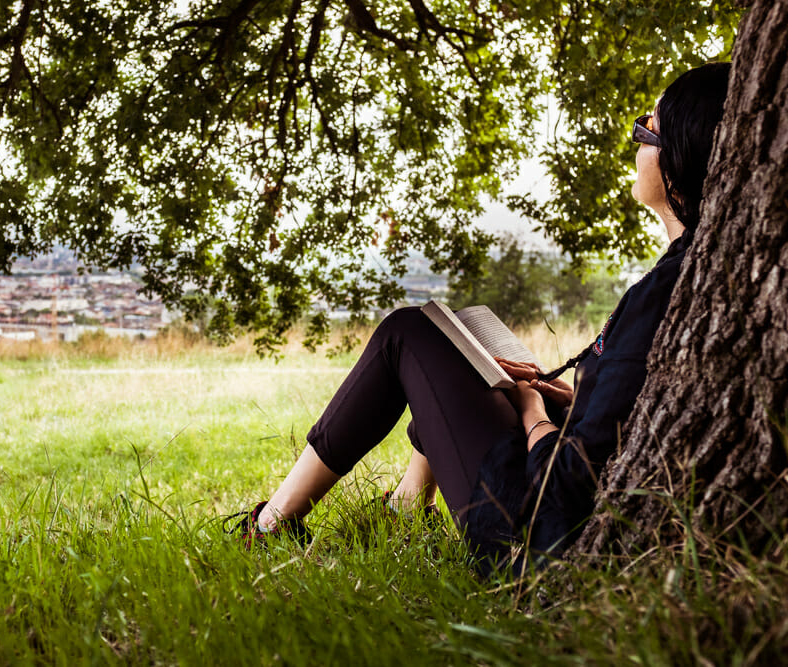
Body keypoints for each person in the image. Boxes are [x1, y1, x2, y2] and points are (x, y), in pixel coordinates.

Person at [229, 62, 733, 573]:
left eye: (645, 131)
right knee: (465, 356)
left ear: (678, 160)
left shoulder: (668, 291)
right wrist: (571, 397)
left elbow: (567, 492)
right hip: (565, 502)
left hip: (534, 540)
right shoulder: (690, 273)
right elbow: (633, 415)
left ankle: (271, 525)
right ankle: (404, 509)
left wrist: (534, 409)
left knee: (405, 333)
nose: (636, 145)